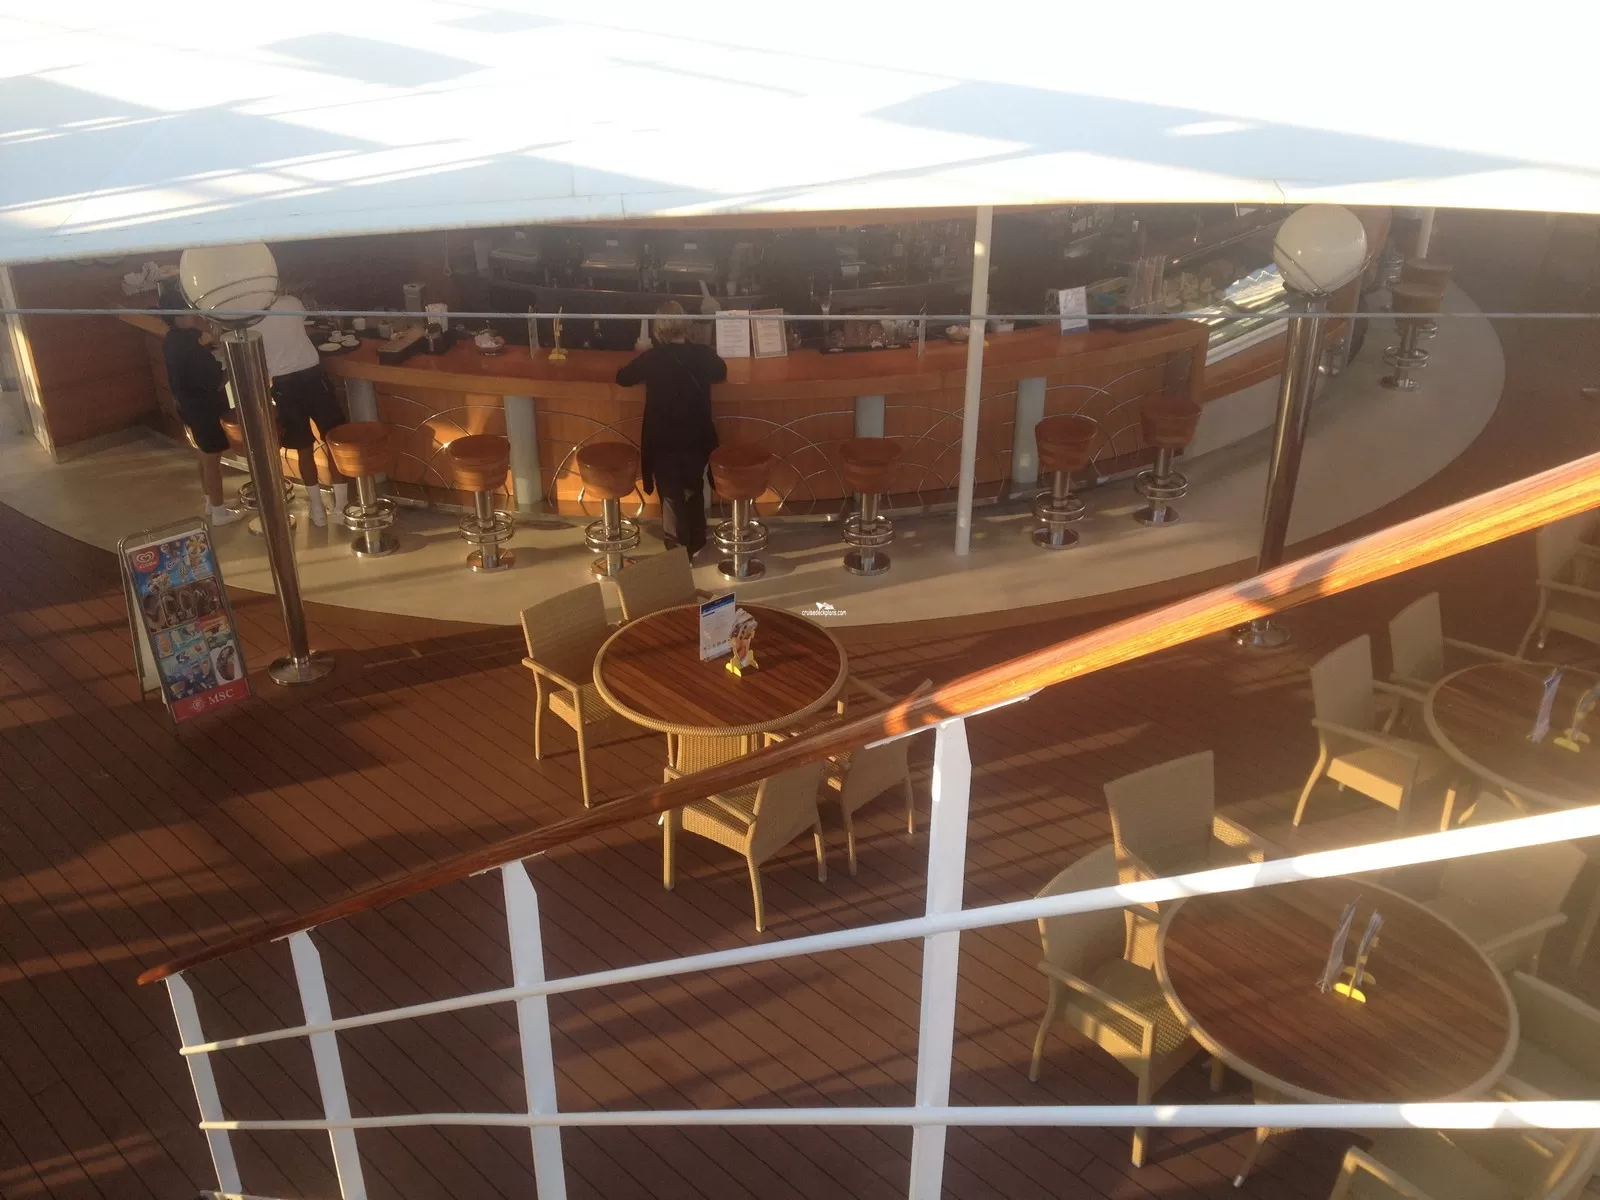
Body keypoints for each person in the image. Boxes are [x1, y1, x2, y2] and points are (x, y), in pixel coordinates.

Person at [615, 301, 726, 556]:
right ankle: (696, 543)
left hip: (663, 438)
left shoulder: (652, 358)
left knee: (670, 492)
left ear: (658, 330)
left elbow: (622, 378)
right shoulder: (702, 354)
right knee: (694, 485)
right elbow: (721, 371)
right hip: (697, 436)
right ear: (686, 326)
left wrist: (642, 353)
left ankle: (678, 549)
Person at [257, 293, 349, 527]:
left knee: (304, 449)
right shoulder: (291, 302)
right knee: (333, 441)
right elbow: (300, 327)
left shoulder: (250, 316)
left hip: (284, 386)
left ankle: (317, 510)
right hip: (313, 378)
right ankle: (341, 506)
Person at [162, 312, 243, 527]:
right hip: (204, 409)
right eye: (190, 313)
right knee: (212, 460)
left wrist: (208, 342)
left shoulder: (173, 339)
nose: (196, 315)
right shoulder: (189, 348)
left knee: (203, 454)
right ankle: (219, 513)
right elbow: (216, 382)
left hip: (189, 407)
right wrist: (231, 363)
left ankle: (211, 502)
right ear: (178, 318)